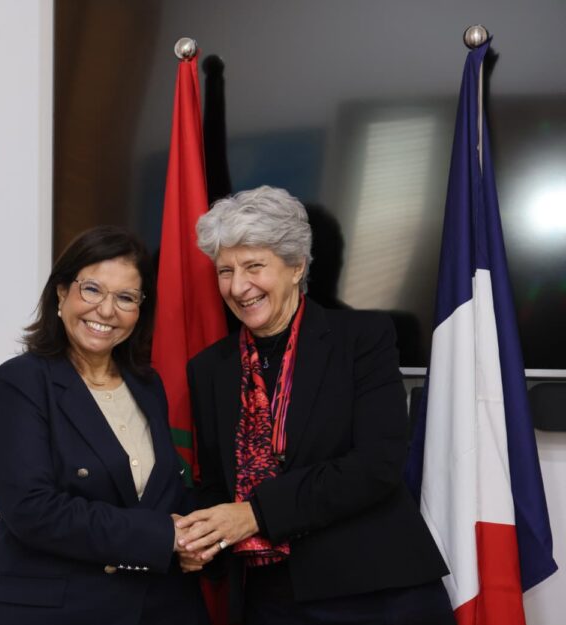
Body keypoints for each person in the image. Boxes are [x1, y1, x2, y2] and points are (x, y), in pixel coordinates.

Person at [176, 187, 454, 624]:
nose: (238, 286)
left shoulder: (362, 338)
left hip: (375, 592)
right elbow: (216, 483)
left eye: (254, 266)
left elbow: (376, 465)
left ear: (296, 266)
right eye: (225, 270)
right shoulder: (209, 368)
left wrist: (256, 514)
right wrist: (202, 540)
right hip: (269, 599)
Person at [0, 225, 209, 625]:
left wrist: (205, 531)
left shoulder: (147, 386)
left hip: (151, 604)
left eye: (125, 297)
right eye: (92, 290)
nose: (106, 310)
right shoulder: (21, 382)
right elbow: (32, 510)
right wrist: (164, 536)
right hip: (53, 608)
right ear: (61, 293)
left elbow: (158, 494)